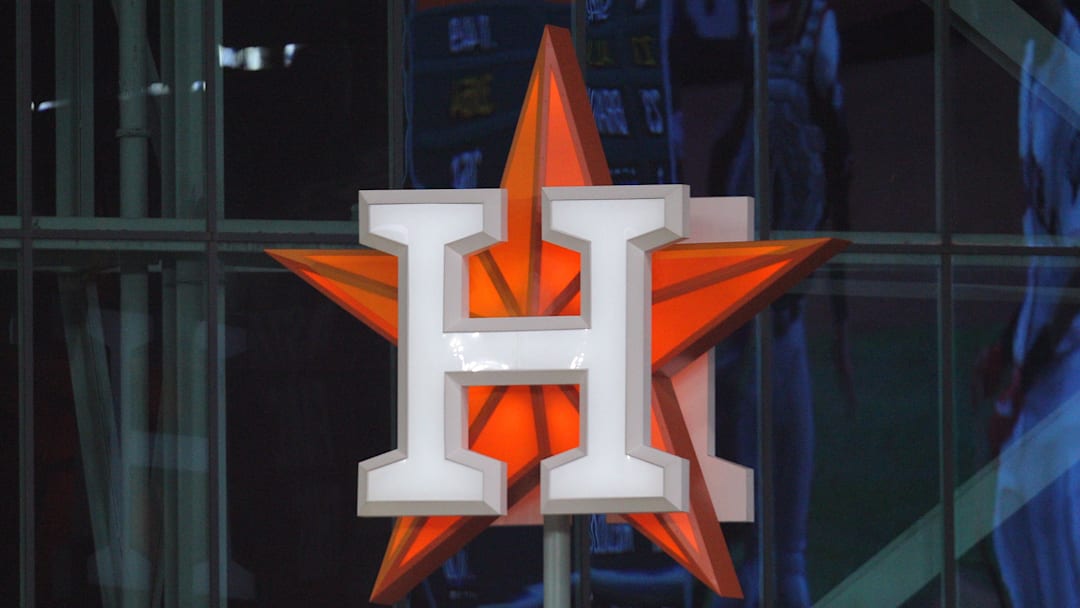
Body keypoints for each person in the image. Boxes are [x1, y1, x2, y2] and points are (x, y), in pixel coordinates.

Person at [703, 0, 851, 606]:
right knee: (739, 385)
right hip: (754, 271)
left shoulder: (817, 29)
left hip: (777, 281)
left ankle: (777, 566)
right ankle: (762, 562)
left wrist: (837, 314)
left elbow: (834, 163)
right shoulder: (759, 28)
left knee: (782, 553)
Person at [981, 1, 1080, 605]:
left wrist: (1027, 365)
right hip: (1046, 353)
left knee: (1057, 535)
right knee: (1015, 523)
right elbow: (1044, 239)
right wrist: (1010, 337)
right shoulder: (1032, 60)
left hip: (1069, 363)